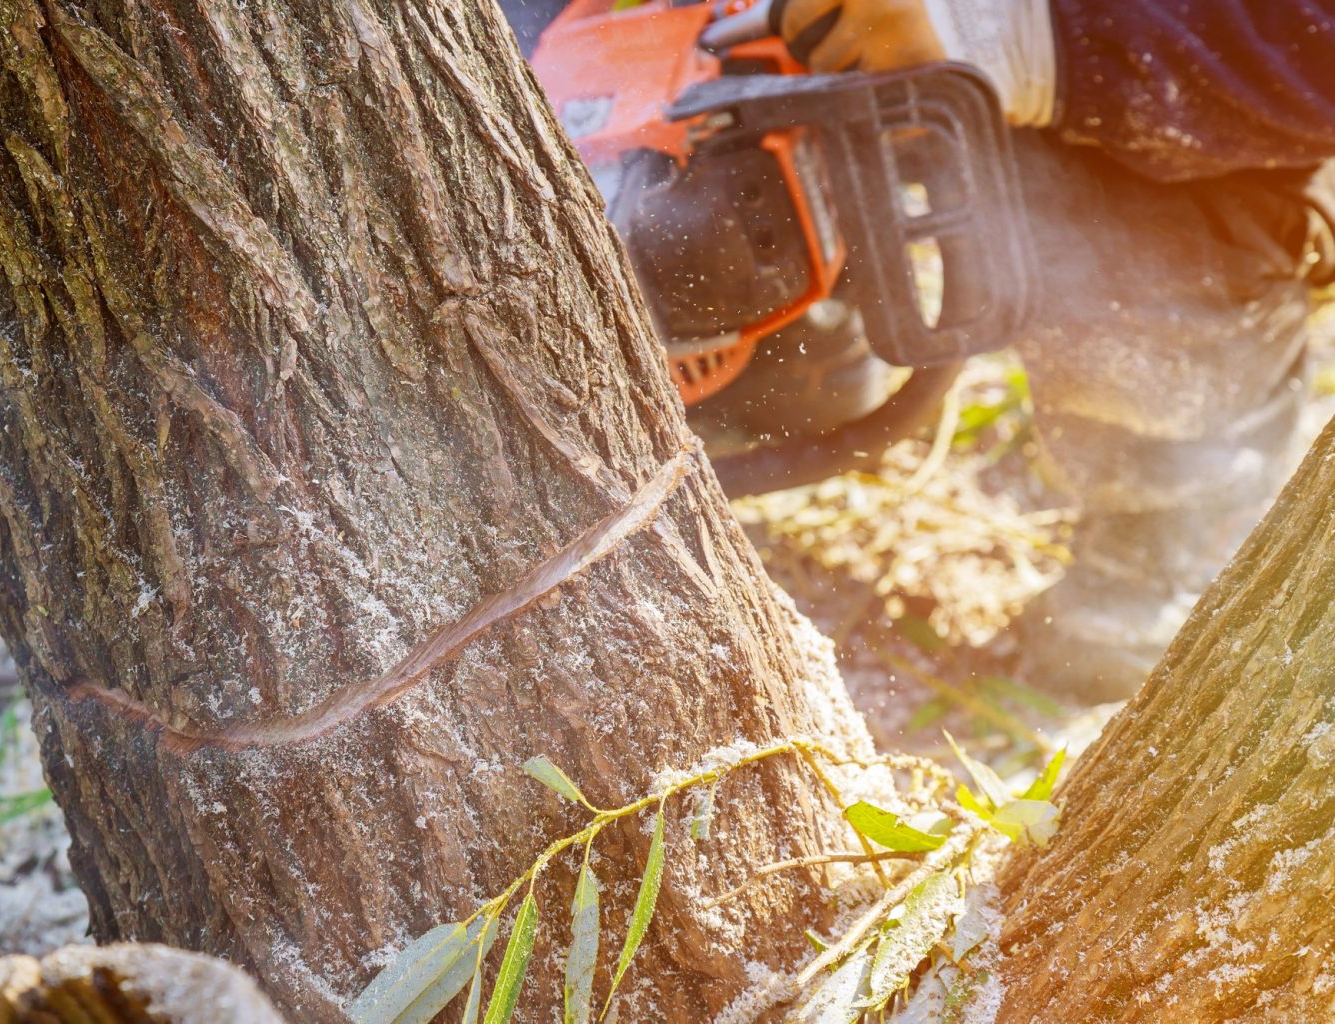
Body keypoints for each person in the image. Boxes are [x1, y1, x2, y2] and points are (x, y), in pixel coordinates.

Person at [502, 0, 1335, 701]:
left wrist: (1028, 33)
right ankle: (793, 361)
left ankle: (1157, 539)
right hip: (769, 56)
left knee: (1158, 241)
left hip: (1172, 66)